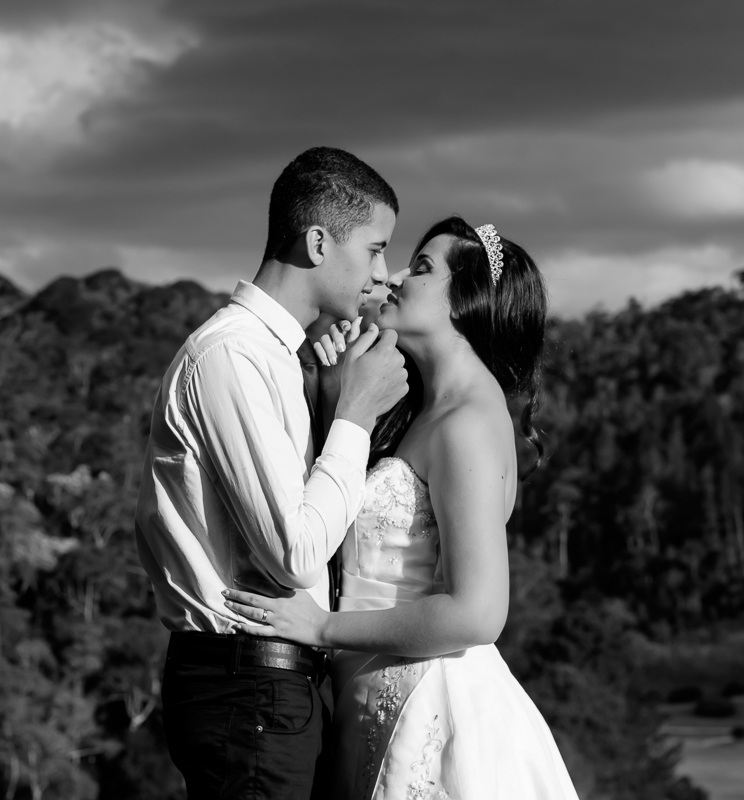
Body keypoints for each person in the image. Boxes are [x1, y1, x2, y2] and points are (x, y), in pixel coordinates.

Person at [224, 216, 581, 799]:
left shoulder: (466, 421)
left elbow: (478, 613)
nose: (389, 278)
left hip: (427, 707)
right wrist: (327, 384)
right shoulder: (430, 411)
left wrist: (321, 627)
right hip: (375, 700)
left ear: (466, 304)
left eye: (420, 268)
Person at [134, 146, 411, 799]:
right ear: (319, 242)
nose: (385, 272)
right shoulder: (232, 356)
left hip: (269, 687)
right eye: (375, 248)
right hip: (245, 686)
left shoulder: (278, 359)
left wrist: (329, 393)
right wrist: (356, 413)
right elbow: (293, 552)